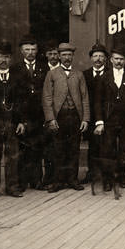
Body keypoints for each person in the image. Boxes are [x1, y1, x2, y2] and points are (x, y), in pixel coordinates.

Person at [42, 42, 90, 193]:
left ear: (73, 56)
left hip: (75, 116)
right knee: (58, 149)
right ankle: (58, 181)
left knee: (74, 149)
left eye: (69, 55)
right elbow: (47, 98)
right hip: (59, 117)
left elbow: (84, 98)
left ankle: (72, 179)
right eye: (64, 55)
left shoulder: (79, 74)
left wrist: (85, 119)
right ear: (59, 56)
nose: (67, 58)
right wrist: (50, 118)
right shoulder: (52, 74)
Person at [92, 47, 125, 196]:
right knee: (107, 150)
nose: (119, 62)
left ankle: (123, 176)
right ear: (111, 60)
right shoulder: (104, 77)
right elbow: (97, 101)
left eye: (121, 59)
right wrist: (99, 121)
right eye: (116, 59)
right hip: (108, 120)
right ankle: (107, 180)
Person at [0, 41, 24, 199]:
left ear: (11, 59)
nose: (3, 60)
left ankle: (12, 187)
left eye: (7, 57)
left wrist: (21, 121)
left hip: (12, 123)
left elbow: (22, 101)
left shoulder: (17, 77)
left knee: (12, 157)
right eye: (0, 57)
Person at [15, 36, 52, 190]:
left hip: (39, 115)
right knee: (23, 150)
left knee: (37, 149)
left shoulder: (45, 68)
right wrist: (19, 119)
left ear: (37, 51)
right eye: (27, 49)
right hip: (23, 116)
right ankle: (22, 181)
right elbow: (14, 96)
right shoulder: (15, 69)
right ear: (21, 51)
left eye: (33, 49)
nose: (30, 53)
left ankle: (36, 180)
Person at [81, 43, 109, 185]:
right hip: (91, 117)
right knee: (92, 146)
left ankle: (105, 175)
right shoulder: (84, 75)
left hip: (107, 117)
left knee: (106, 146)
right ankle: (91, 173)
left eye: (101, 56)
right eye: (95, 56)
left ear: (105, 59)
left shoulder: (110, 74)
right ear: (91, 58)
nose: (98, 59)